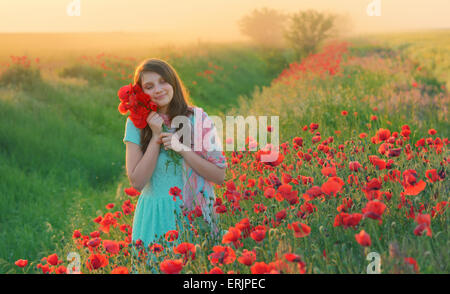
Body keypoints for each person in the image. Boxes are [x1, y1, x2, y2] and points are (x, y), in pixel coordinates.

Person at [122, 58, 227, 268]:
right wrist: (155, 136)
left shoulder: (197, 118)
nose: (158, 89)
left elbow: (219, 176)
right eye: (149, 86)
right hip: (154, 217)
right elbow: (137, 182)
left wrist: (183, 149)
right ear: (141, 93)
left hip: (193, 213)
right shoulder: (136, 124)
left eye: (163, 82)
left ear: (173, 83)